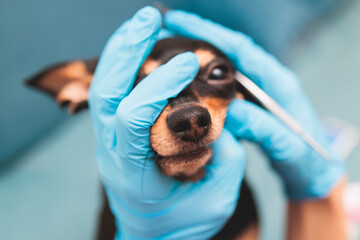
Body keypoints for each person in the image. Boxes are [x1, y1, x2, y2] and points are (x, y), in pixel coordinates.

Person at [89, 6, 346, 240]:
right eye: (142, 84)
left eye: (217, 73)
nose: (191, 117)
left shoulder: (240, 208)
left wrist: (316, 191)